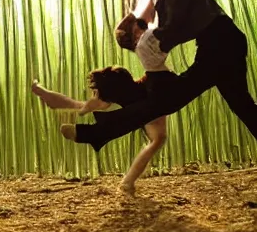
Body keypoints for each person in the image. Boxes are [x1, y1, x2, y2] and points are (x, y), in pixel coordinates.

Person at [62, 0, 257, 177]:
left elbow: (174, 27)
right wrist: (149, 43)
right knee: (243, 105)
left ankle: (95, 133)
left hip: (220, 45)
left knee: (166, 102)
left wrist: (150, 43)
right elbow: (170, 29)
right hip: (220, 43)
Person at [31, 66, 169, 197]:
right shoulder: (137, 86)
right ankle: (127, 182)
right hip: (148, 106)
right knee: (158, 139)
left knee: (77, 105)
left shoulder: (118, 91)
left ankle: (127, 182)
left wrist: (88, 107)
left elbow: (82, 109)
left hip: (142, 104)